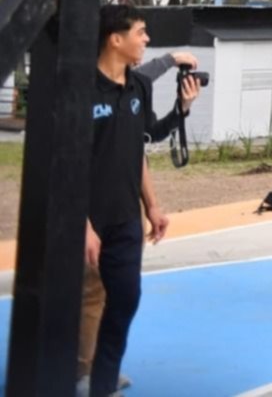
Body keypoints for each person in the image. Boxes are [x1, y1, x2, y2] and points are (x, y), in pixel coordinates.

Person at [78, 49, 200, 392]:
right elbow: (69, 165)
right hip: (87, 212)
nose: (145, 39)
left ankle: (99, 370)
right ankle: (80, 373)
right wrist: (172, 58)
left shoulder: (132, 87)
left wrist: (183, 108)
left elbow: (148, 138)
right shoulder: (86, 88)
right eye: (139, 32)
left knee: (119, 294)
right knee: (89, 292)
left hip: (123, 212)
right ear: (115, 39)